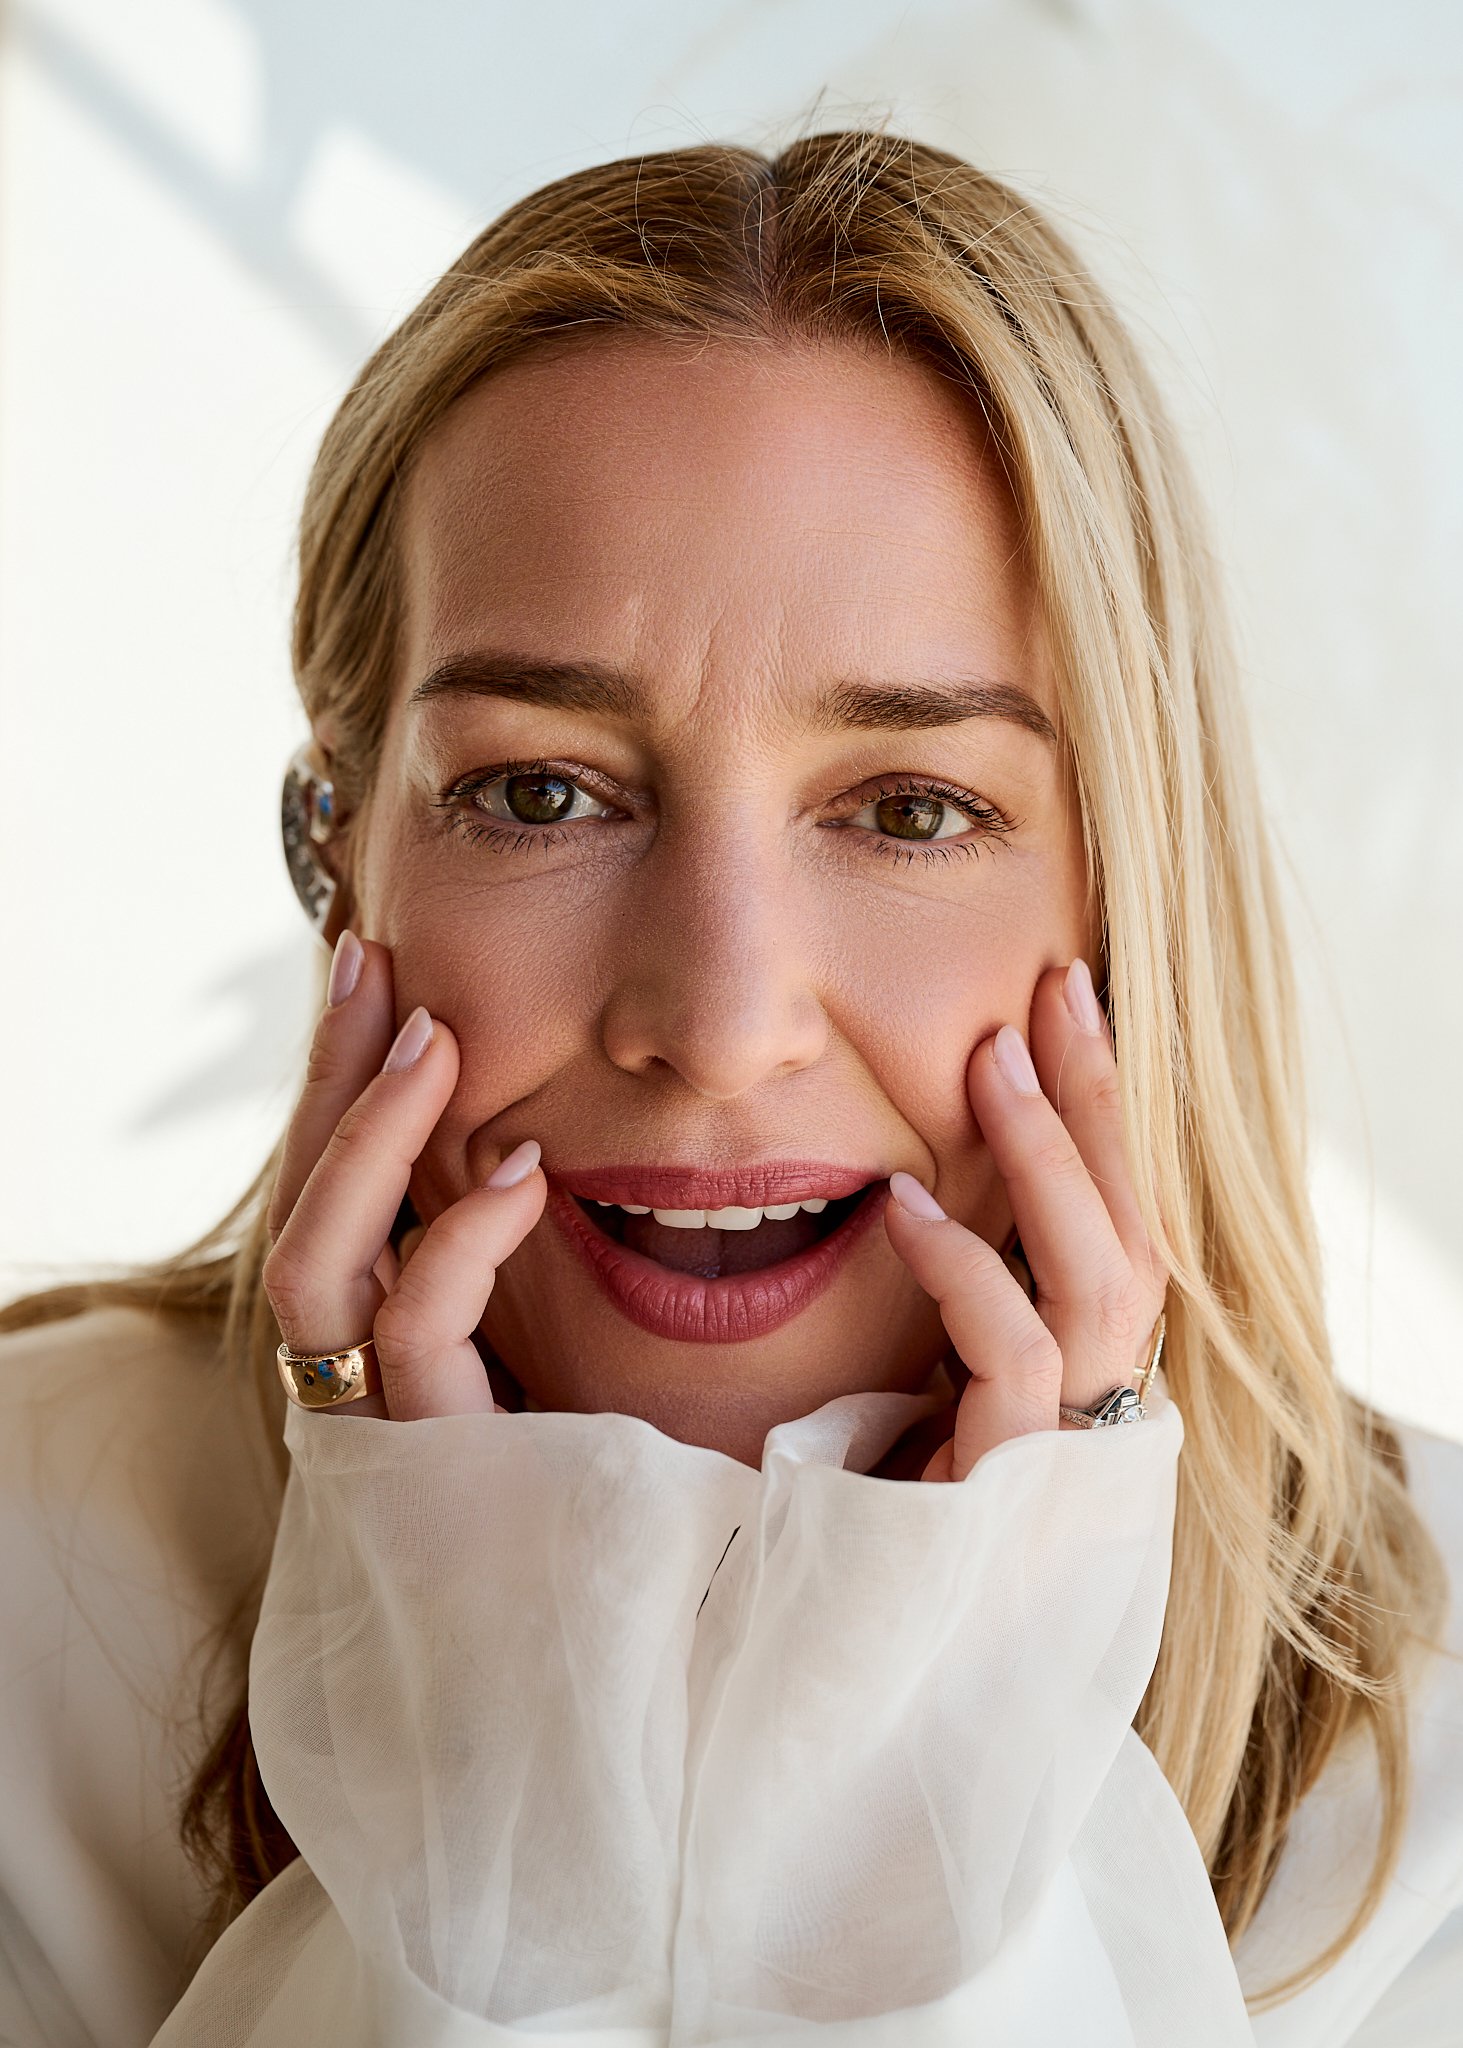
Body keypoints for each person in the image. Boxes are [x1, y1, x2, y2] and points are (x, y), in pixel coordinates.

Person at [1, 130, 1458, 2047]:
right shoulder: (28, 1570)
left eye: (910, 810)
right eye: (541, 792)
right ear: (341, 861)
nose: (719, 1019)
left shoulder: (1436, 1754)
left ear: (1129, 906)